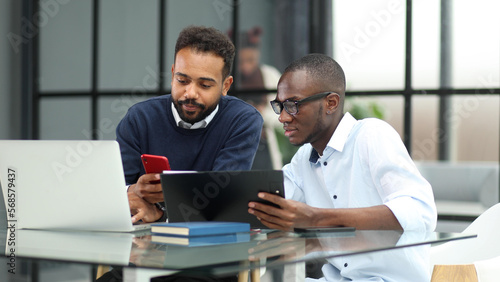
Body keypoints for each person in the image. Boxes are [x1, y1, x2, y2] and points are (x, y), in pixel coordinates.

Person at [247, 54, 437, 280]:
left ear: (331, 103)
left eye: (293, 105)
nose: (283, 118)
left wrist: (316, 219)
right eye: (280, 106)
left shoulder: (371, 135)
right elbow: (264, 202)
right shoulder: (304, 159)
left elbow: (419, 212)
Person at [116, 25, 264, 224]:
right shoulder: (140, 118)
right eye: (182, 80)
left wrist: (161, 215)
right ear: (172, 74)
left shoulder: (242, 120)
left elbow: (221, 201)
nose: (190, 93)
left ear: (225, 86)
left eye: (204, 85)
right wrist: (133, 191)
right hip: (141, 246)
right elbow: (112, 192)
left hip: (213, 248)